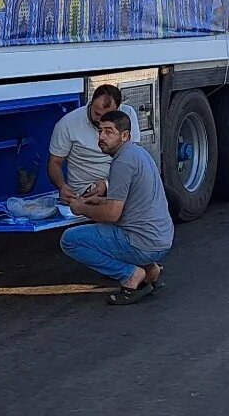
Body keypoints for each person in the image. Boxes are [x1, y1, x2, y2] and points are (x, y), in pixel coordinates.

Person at [59, 109, 174, 305]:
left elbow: (113, 215)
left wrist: (80, 208)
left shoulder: (123, 162)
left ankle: (130, 276)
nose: (102, 137)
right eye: (100, 131)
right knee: (118, 229)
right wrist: (100, 201)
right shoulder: (137, 153)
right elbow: (133, 204)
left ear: (125, 135)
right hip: (162, 238)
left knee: (69, 240)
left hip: (144, 242)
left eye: (108, 132)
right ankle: (150, 270)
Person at [48, 84, 139, 203]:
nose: (99, 120)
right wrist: (62, 186)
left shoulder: (128, 115)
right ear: (91, 103)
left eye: (106, 116)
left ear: (117, 110)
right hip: (85, 191)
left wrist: (107, 184)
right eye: (96, 113)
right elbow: (55, 162)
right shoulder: (67, 123)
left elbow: (134, 158)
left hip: (120, 183)